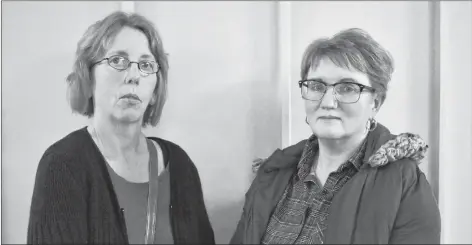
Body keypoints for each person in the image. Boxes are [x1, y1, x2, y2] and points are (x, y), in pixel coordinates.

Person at [230, 28, 441, 244]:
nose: (328, 102)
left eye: (348, 88)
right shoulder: (272, 175)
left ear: (375, 103)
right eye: (316, 86)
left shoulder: (403, 184)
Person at [27, 11, 215, 244]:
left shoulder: (179, 165)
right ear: (88, 76)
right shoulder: (61, 165)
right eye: (117, 60)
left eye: (146, 65)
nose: (134, 76)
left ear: (155, 91)